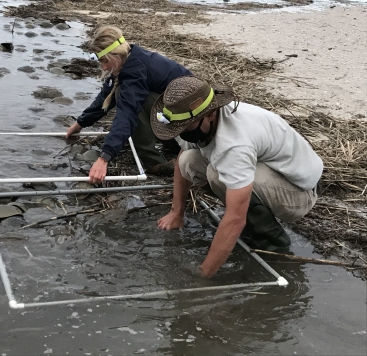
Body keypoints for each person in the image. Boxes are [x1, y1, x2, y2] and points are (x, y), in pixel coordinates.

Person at [150, 75, 323, 278]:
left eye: (187, 127)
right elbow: (182, 158)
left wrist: (203, 274)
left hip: (299, 191)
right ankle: (245, 215)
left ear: (210, 115)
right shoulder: (185, 118)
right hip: (268, 169)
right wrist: (176, 212)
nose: (181, 132)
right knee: (188, 160)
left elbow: (234, 219)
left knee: (217, 174)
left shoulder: (234, 144)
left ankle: (273, 245)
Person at [66, 25, 192, 184]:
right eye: (100, 61)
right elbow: (106, 95)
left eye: (105, 61)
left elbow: (127, 114)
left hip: (190, 127)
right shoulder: (129, 58)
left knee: (128, 100)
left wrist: (104, 157)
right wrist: (80, 123)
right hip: (177, 118)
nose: (103, 67)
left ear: (116, 54)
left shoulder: (135, 71)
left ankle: (156, 162)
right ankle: (172, 147)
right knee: (120, 93)